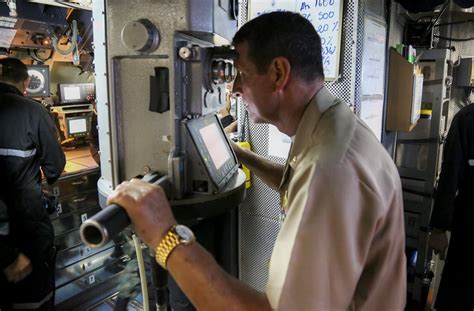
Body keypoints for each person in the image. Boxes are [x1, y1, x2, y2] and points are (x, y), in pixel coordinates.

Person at [107, 12, 406, 310]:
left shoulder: (328, 169)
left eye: (242, 74)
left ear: (278, 73)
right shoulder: (332, 126)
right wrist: (239, 154)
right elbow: (295, 179)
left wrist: (164, 235)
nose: (234, 89)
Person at [0, 57, 66, 310]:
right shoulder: (33, 111)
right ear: (26, 82)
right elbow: (55, 166)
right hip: (25, 228)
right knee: (35, 300)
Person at [428, 103, 474, 310]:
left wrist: (438, 230)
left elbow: (449, 176)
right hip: (467, 230)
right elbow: (450, 176)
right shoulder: (467, 120)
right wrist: (439, 228)